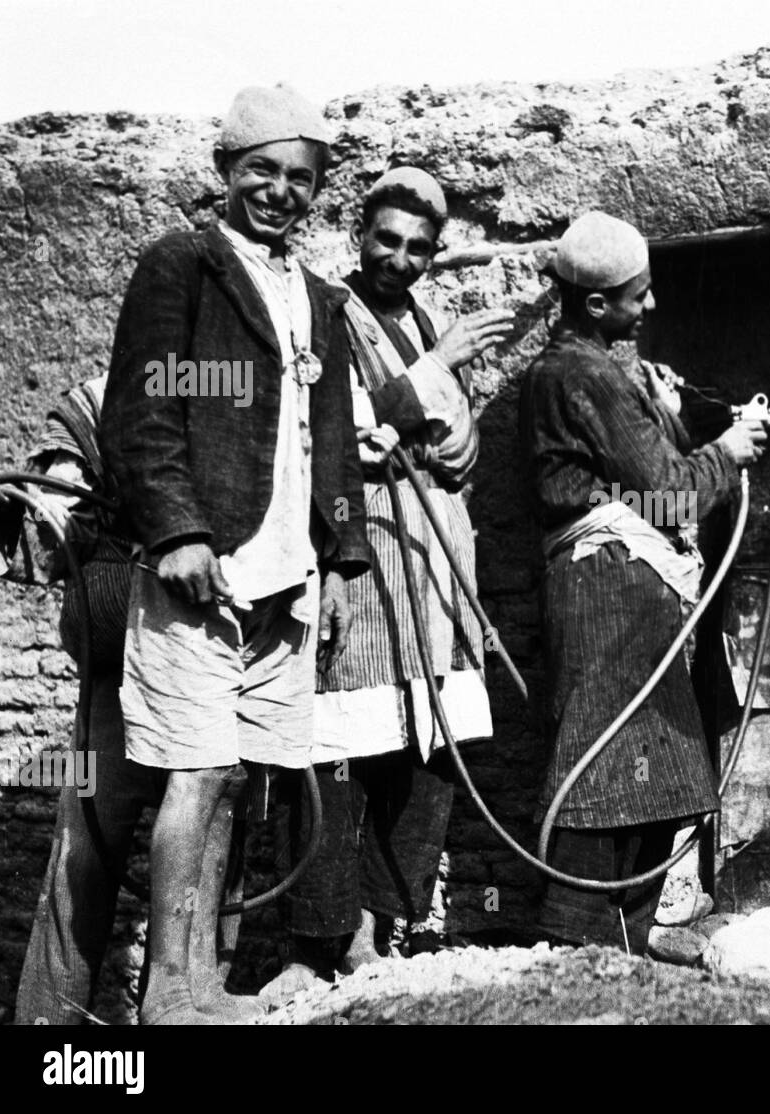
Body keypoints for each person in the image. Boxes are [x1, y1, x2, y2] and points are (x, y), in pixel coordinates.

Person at [98, 84, 370, 1023]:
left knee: (247, 776)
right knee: (198, 769)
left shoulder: (320, 299)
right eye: (261, 170)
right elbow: (141, 410)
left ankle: (205, 984)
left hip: (287, 572)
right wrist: (175, 529)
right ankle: (169, 994)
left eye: (300, 178)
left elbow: (331, 440)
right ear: (224, 172)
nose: (279, 191)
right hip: (203, 567)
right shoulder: (183, 267)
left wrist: (341, 560)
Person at [274, 168, 514, 986]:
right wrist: (436, 372)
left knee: (425, 752)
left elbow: (452, 437)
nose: (401, 259)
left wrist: (458, 441)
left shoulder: (418, 319)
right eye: (387, 240)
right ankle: (320, 943)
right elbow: (326, 429)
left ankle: (385, 926)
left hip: (435, 561)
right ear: (359, 236)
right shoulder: (326, 315)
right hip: (360, 550)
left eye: (419, 248)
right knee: (340, 751)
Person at [518, 210, 766, 954]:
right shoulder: (580, 372)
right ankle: (571, 953)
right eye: (639, 295)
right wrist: (729, 450)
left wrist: (670, 418)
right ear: (596, 305)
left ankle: (618, 950)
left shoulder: (599, 371)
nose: (650, 306)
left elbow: (644, 472)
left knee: (655, 774)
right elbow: (671, 495)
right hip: (606, 600)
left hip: (632, 599)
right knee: (599, 773)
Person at [0, 376, 165, 1024]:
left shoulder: (238, 385)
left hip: (205, 651)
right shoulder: (109, 394)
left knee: (205, 839)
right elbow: (54, 497)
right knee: (83, 850)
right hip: (115, 657)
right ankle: (45, 1022)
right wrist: (58, 493)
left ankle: (172, 1010)